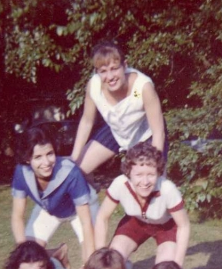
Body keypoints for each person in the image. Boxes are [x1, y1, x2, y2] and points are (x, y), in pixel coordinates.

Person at [71, 40, 168, 176]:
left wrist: (151, 169)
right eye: (103, 71)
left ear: (125, 66)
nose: (110, 77)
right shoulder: (94, 86)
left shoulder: (140, 88)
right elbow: (87, 122)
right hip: (116, 131)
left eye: (114, 68)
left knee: (149, 184)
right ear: (96, 72)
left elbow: (158, 133)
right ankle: (88, 196)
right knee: (73, 173)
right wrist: (73, 158)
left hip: (146, 135)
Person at [11, 126, 97, 264]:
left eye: (50, 154)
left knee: (92, 261)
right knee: (27, 258)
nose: (46, 163)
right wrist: (23, 250)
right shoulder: (21, 172)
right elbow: (17, 216)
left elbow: (86, 222)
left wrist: (90, 262)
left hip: (80, 211)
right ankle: (57, 255)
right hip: (49, 209)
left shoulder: (71, 172)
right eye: (38, 157)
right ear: (27, 159)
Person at [94, 143, 190, 265]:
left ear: (159, 173)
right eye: (138, 175)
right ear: (128, 173)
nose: (145, 182)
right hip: (135, 222)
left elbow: (184, 225)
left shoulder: (167, 189)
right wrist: (100, 256)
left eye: (150, 175)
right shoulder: (120, 184)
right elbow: (102, 217)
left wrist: (178, 264)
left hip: (167, 227)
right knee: (113, 261)